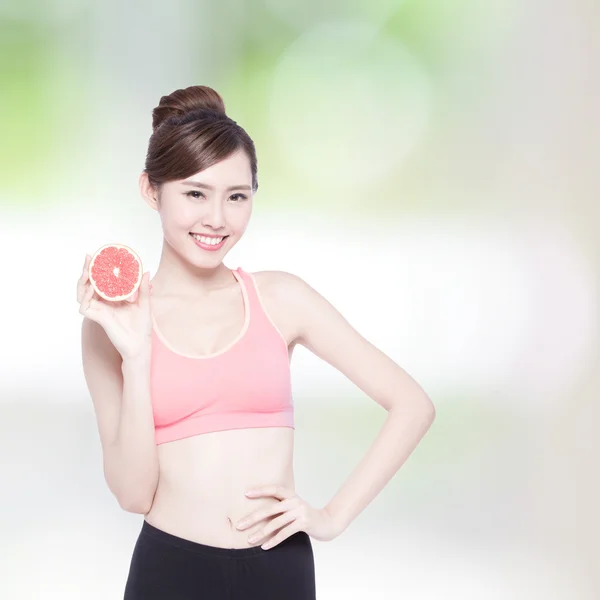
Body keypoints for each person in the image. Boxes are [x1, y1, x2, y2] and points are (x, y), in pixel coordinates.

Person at [77, 84, 436, 600]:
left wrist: (332, 517)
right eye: (195, 194)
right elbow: (133, 494)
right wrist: (136, 354)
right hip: (170, 570)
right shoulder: (110, 325)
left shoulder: (281, 298)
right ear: (151, 191)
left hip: (278, 569)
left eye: (237, 197)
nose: (217, 219)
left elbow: (412, 404)